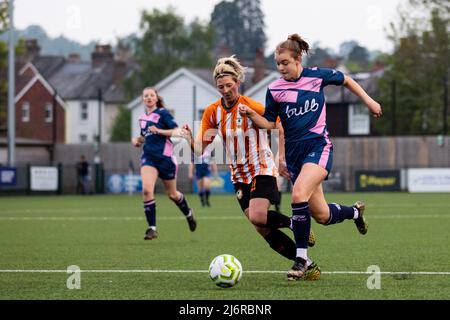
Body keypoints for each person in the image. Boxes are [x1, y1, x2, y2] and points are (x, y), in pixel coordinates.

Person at [239, 34, 383, 280]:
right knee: (322, 215)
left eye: (285, 62)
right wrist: (253, 116)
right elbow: (270, 123)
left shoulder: (317, 76)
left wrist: (369, 101)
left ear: (297, 60)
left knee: (297, 195)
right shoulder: (275, 89)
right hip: (295, 157)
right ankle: (356, 213)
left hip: (318, 147)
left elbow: (347, 80)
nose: (281, 68)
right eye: (278, 63)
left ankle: (302, 258)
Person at [182, 56, 320, 280]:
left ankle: (295, 224)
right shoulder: (212, 112)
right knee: (262, 227)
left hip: (261, 168)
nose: (226, 90)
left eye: (229, 85)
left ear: (237, 82)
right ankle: (308, 263)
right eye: (221, 87)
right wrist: (189, 139)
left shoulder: (251, 106)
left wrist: (281, 156)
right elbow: (200, 149)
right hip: (239, 175)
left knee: (257, 216)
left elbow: (280, 127)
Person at [132, 87, 197, 240]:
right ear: (143, 99)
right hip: (149, 158)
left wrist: (160, 131)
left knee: (172, 194)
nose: (148, 97)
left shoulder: (163, 113)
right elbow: (145, 136)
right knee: (147, 190)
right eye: (145, 95)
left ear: (156, 98)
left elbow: (178, 132)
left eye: (151, 95)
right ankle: (152, 229)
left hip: (166, 159)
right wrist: (137, 140)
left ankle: (188, 214)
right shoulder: (142, 118)